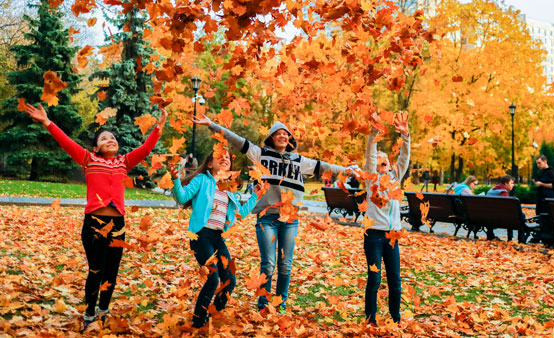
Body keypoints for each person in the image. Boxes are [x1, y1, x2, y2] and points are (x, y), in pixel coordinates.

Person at [23, 103, 168, 331]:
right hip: (94, 224)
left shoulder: (124, 162)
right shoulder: (88, 159)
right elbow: (66, 142)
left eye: (112, 138)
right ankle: (89, 313)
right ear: (96, 147)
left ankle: (103, 309)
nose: (110, 140)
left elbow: (146, 149)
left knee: (112, 271)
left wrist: (158, 127)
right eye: (103, 139)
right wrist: (47, 122)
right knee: (96, 269)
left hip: (117, 226)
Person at [192, 116, 354, 313]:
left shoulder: (299, 161)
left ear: (289, 139)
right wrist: (212, 125)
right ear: (271, 137)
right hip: (267, 217)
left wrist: (349, 172)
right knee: (268, 263)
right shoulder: (260, 155)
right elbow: (237, 140)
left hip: (290, 219)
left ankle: (280, 303)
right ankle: (262, 305)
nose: (282, 136)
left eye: (285, 134)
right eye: (278, 133)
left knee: (285, 265)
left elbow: (326, 167)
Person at [168, 149, 262, 328]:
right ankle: (198, 320)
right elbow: (182, 196)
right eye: (220, 156)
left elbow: (239, 214)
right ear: (210, 164)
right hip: (200, 236)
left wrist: (256, 196)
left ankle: (213, 314)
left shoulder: (230, 189)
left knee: (229, 280)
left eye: (227, 157)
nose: (225, 158)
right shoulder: (201, 180)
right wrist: (175, 180)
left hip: (218, 238)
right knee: (212, 278)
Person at [362, 112, 410, 327]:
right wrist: (373, 135)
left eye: (385, 161)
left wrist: (406, 135)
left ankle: (395, 318)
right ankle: (370, 319)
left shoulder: (395, 179)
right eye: (379, 161)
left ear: (390, 165)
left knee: (395, 281)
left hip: (392, 237)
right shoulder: (371, 180)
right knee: (374, 279)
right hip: (373, 236)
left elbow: (404, 157)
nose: (382, 164)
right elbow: (370, 157)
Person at [486, 175, 520, 241]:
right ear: (506, 183)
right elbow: (506, 209)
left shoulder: (492, 190)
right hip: (500, 218)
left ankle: (490, 235)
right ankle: (518, 239)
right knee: (521, 215)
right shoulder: (503, 192)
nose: (513, 185)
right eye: (512, 183)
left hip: (488, 216)